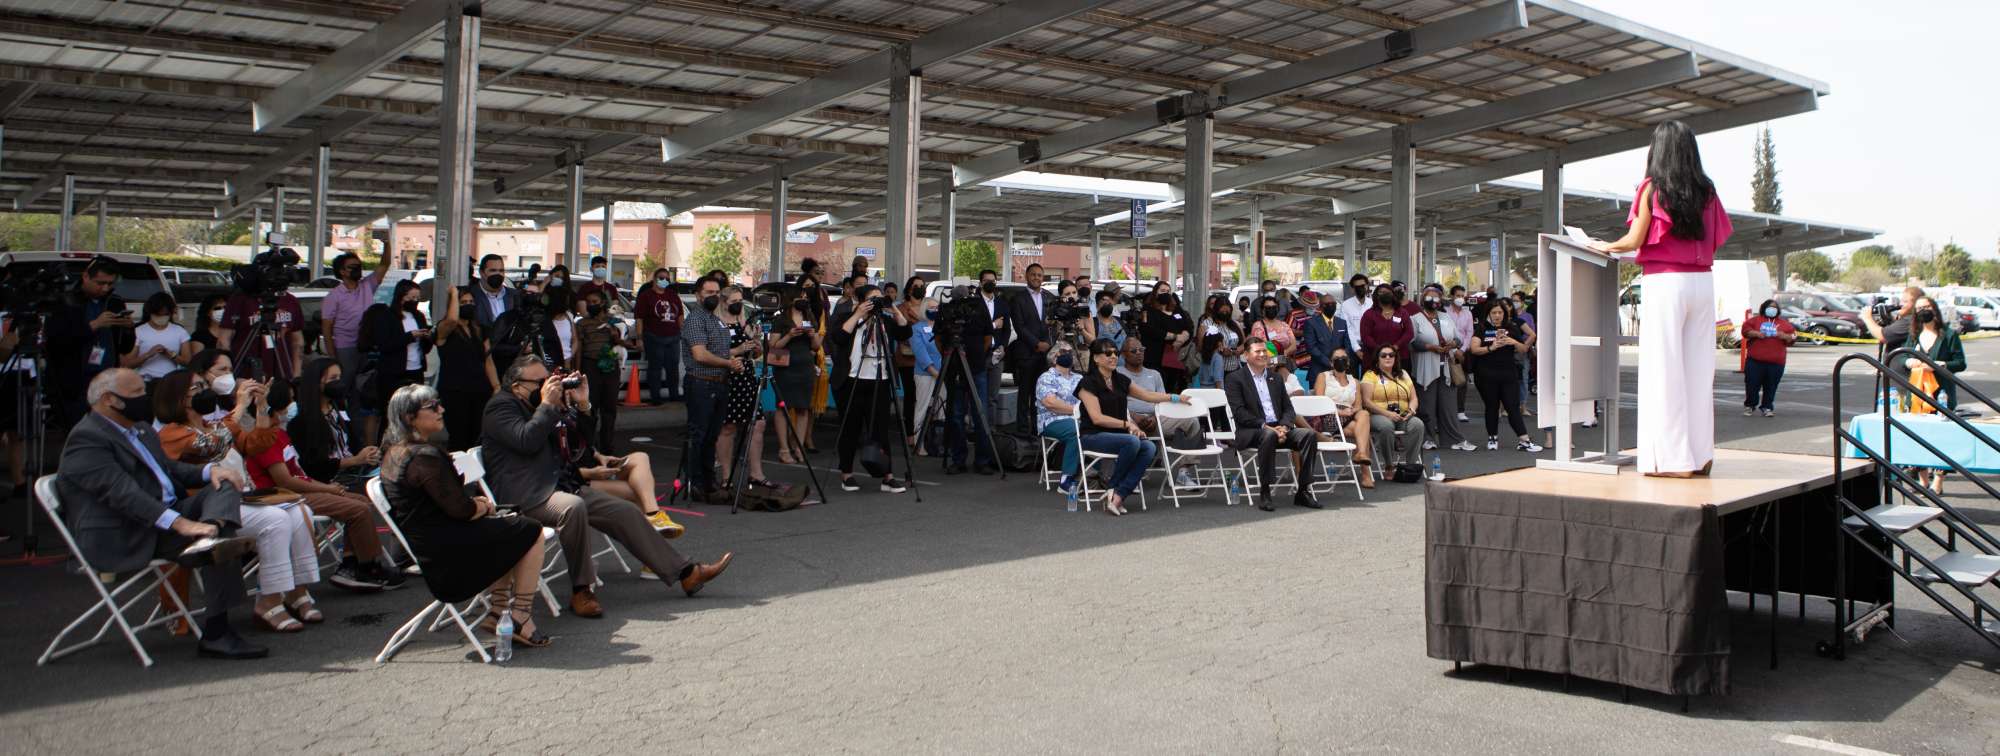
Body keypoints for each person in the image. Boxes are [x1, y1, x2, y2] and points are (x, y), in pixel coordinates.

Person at [483, 354, 731, 617]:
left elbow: (583, 445)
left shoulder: (543, 406)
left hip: (559, 486)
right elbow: (526, 441)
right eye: (541, 381)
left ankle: (686, 573)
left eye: (549, 380)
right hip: (526, 495)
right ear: (517, 385)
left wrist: (583, 405)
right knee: (573, 507)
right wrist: (546, 405)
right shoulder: (500, 407)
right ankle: (581, 590)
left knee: (625, 511)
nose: (549, 386)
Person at [57, 368, 264, 659]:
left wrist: (210, 470)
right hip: (129, 529)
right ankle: (217, 630)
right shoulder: (86, 439)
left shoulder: (139, 428)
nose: (146, 398)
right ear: (109, 400)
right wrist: (180, 524)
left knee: (225, 485)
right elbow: (122, 494)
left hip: (165, 514)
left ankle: (210, 535)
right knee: (224, 540)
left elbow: (168, 470)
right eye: (137, 394)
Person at [1591, 120, 1733, 478]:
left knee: (1663, 370)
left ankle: (1672, 460)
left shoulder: (1653, 188)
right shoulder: (1707, 189)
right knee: (1699, 372)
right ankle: (1701, 456)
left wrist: (1603, 245)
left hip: (1665, 282)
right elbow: (1718, 237)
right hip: (1702, 282)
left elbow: (1635, 238)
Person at [379, 384, 551, 648]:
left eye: (438, 403)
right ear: (408, 417)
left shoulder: (395, 451)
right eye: (432, 407)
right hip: (447, 558)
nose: (441, 410)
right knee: (530, 530)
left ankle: (499, 611)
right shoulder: (424, 457)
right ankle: (520, 615)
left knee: (508, 527)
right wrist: (482, 506)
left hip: (433, 544)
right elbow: (461, 510)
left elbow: (445, 504)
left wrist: (477, 506)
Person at [237, 380, 404, 591]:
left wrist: (326, 486)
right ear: (276, 406)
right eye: (290, 399)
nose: (294, 403)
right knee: (358, 509)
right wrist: (327, 489)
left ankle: (351, 563)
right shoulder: (264, 440)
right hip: (284, 497)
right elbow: (285, 481)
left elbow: (299, 474)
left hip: (299, 490)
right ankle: (368, 565)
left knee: (361, 502)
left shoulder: (279, 434)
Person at [1223, 337, 1322, 511]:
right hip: (1253, 430)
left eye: (1264, 351)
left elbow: (1289, 409)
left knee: (1308, 435)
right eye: (1257, 351)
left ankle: (1303, 490)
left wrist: (1284, 426)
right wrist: (1265, 426)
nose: (1262, 355)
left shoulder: (1275, 378)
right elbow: (1239, 412)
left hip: (1279, 428)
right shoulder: (1235, 378)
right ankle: (1265, 491)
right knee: (1268, 435)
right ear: (1246, 355)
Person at [1075, 339, 1169, 516]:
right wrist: (1128, 424)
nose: (1113, 356)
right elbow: (1097, 418)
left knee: (1148, 447)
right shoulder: (1087, 383)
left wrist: (1176, 398)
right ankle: (1113, 488)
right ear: (1096, 358)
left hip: (1118, 436)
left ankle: (1118, 495)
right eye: (1108, 353)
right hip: (1094, 436)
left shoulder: (1120, 380)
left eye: (1115, 353)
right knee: (1132, 442)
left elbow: (1147, 395)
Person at [836, 284, 912, 494]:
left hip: (880, 379)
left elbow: (906, 330)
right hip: (853, 379)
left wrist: (893, 309)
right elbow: (839, 337)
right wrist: (859, 314)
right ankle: (847, 473)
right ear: (861, 301)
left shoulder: (885, 321)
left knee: (880, 429)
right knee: (851, 429)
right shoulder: (848, 318)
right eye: (873, 299)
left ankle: (887, 476)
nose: (877, 302)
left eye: (880, 298)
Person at [46, 256, 135, 425]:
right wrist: (93, 326)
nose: (105, 288)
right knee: (78, 430)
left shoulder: (114, 302)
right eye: (100, 283)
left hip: (107, 378)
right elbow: (56, 342)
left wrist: (128, 329)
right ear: (86, 277)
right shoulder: (67, 301)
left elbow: (125, 348)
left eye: (110, 284)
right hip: (76, 381)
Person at [320, 251, 392, 441]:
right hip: (345, 349)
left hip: (367, 347)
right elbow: (327, 327)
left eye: (359, 266)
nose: (357, 270)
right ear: (342, 272)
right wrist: (332, 355)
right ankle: (346, 435)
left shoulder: (367, 286)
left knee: (366, 394)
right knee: (346, 393)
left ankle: (363, 438)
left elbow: (384, 264)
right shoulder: (334, 296)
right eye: (352, 267)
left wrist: (386, 243)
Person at [713, 286, 777, 490]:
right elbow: (710, 352)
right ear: (723, 302)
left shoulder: (744, 322)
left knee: (758, 424)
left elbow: (756, 352)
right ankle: (726, 475)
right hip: (726, 378)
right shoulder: (716, 323)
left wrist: (756, 346)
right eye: (734, 301)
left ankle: (756, 474)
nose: (738, 305)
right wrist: (737, 350)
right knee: (728, 427)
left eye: (740, 300)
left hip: (747, 378)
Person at [679, 276, 736, 495]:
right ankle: (695, 483)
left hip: (719, 383)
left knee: (712, 436)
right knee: (699, 435)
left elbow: (719, 351)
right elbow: (700, 354)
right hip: (701, 383)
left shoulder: (716, 319)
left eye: (716, 292)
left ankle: (707, 480)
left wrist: (739, 354)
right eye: (709, 292)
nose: (714, 296)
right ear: (698, 294)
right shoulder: (696, 319)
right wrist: (728, 363)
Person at [287, 357, 379, 492]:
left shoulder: (338, 409)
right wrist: (355, 460)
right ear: (317, 383)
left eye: (340, 377)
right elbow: (314, 466)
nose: (338, 382)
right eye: (333, 378)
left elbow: (353, 445)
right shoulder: (301, 422)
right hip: (332, 482)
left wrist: (368, 455)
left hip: (356, 473)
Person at [1466, 300, 1542, 453]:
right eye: (1494, 313)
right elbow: (1473, 349)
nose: (1497, 316)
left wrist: (1513, 341)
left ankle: (1524, 440)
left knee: (1512, 406)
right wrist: (1491, 347)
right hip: (1486, 374)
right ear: (1489, 314)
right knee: (1492, 406)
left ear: (1504, 314)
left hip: (1508, 373)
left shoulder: (1511, 327)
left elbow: (1523, 349)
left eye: (1500, 313)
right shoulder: (1482, 328)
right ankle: (1492, 438)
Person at [216, 263, 306, 384]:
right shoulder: (240, 300)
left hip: (283, 374)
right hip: (246, 373)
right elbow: (223, 341)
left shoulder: (291, 300)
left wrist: (296, 375)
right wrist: (229, 377)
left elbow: (297, 342)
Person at [434, 287, 500, 451]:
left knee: (477, 435)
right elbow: (451, 321)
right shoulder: (444, 329)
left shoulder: (479, 330)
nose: (468, 305)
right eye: (463, 303)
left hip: (479, 389)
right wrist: (454, 294)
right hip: (455, 391)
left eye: (471, 302)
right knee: (458, 436)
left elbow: (488, 360)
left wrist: (496, 386)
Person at [1411, 286, 1473, 452]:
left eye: (1437, 298)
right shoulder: (1415, 318)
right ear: (1423, 299)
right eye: (1430, 298)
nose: (1434, 301)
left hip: (1446, 367)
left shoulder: (1446, 317)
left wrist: (1454, 343)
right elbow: (1412, 342)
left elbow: (1458, 339)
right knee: (1427, 406)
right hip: (1426, 367)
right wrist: (1430, 346)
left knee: (1448, 407)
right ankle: (1427, 439)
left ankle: (1454, 439)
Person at [574, 287, 632, 454]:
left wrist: (616, 336)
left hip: (610, 367)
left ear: (603, 303)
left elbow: (624, 343)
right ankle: (588, 447)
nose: (591, 305)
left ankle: (607, 446)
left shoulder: (614, 322)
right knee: (590, 408)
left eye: (595, 302)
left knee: (609, 408)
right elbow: (580, 347)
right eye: (589, 303)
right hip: (590, 366)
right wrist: (578, 371)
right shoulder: (582, 323)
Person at [365, 280, 432, 416]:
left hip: (416, 369)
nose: (415, 301)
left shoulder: (418, 316)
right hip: (393, 372)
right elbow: (385, 345)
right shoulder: (387, 316)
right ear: (401, 297)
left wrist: (428, 338)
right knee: (392, 413)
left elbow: (425, 348)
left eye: (417, 298)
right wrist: (409, 336)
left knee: (414, 411)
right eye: (412, 298)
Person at [770, 294, 822, 465]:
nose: (804, 299)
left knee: (803, 408)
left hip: (805, 366)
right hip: (785, 367)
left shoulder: (809, 315)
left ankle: (799, 447)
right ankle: (784, 449)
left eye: (807, 296)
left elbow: (815, 346)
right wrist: (790, 335)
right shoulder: (781, 319)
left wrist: (812, 335)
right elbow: (773, 346)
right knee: (783, 407)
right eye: (800, 295)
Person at [1311, 347, 1373, 488]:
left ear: (1349, 362)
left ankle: (1361, 454)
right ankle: (1365, 473)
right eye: (1337, 359)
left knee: (1363, 414)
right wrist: (1339, 412)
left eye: (1344, 359)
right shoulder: (1323, 376)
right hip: (1328, 415)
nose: (1341, 361)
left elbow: (1358, 405)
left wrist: (1350, 411)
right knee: (1364, 433)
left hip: (1348, 416)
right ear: (1331, 363)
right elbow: (1319, 401)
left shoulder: (1354, 381)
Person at [1360, 345, 1429, 471]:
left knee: (1418, 424)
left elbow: (1414, 398)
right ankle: (1389, 465)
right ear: (1377, 359)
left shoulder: (1403, 374)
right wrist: (1387, 413)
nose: (1388, 357)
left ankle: (1410, 465)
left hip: (1402, 415)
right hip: (1378, 415)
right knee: (1387, 426)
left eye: (1391, 355)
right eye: (1384, 355)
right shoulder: (1370, 375)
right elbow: (1366, 402)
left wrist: (1411, 410)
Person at [1034, 342, 1087, 495]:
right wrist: (1078, 411)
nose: (1068, 355)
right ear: (1054, 357)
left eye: (1070, 352)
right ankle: (1066, 480)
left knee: (1097, 429)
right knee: (1076, 430)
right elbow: (1050, 403)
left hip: (1079, 419)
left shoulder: (1078, 377)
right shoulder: (1046, 377)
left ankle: (1099, 473)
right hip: (1052, 420)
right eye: (1063, 352)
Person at [1007, 264, 1053, 434]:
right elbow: (1019, 326)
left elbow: (1054, 324)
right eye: (1033, 274)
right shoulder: (1018, 298)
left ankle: (1037, 429)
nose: (1036, 278)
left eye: (1040, 275)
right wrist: (1036, 343)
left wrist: (1048, 342)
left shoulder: (1049, 297)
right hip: (1026, 352)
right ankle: (1022, 431)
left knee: (1040, 394)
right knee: (1024, 394)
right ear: (1026, 276)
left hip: (1045, 354)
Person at [1904, 295, 1966, 411]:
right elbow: (1903, 356)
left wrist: (1941, 365)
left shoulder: (1949, 335)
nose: (1923, 311)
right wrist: (1908, 361)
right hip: (1917, 395)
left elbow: (1961, 363)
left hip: (1942, 397)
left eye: (1927, 307)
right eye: (1919, 308)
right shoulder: (1913, 335)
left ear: (1934, 309)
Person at [1739, 298, 1796, 418]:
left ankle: (1767, 407)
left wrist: (1784, 336)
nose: (1772, 310)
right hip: (1755, 361)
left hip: (1776, 362)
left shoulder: (1785, 324)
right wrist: (1756, 333)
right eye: (1770, 307)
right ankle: (1750, 405)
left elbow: (1793, 337)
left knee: (1771, 386)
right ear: (1764, 308)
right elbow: (1745, 331)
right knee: (1752, 384)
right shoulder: (1754, 321)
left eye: (1775, 308)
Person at [636, 266, 685, 404]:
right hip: (653, 337)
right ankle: (655, 397)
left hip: (674, 337)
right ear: (654, 279)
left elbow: (680, 316)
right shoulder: (646, 296)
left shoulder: (673, 296)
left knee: (673, 368)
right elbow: (639, 319)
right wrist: (639, 338)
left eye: (667, 279)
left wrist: (684, 332)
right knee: (655, 368)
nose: (664, 281)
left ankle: (674, 395)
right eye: (661, 278)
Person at [123, 292, 192, 382]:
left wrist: (171, 354)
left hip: (170, 380)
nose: (161, 317)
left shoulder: (180, 331)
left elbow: (188, 361)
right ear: (150, 312)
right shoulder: (138, 331)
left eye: (165, 314)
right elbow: (128, 364)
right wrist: (148, 354)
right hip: (145, 379)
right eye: (158, 315)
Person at [1139, 291, 1193, 393]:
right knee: (1158, 385)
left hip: (1175, 356)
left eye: (1167, 290)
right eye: (1161, 290)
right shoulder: (1149, 311)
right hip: (1155, 357)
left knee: (1172, 385)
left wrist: (1181, 339)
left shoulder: (1178, 311)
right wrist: (1174, 336)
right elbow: (1150, 330)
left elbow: (1188, 327)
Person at [909, 299, 943, 456]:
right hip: (925, 374)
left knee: (942, 409)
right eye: (932, 308)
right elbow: (920, 352)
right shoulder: (917, 329)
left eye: (937, 307)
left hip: (944, 373)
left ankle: (938, 443)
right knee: (922, 408)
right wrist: (933, 370)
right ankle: (919, 443)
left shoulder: (942, 327)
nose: (935, 310)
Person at [1359, 282, 1414, 370]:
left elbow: (1409, 333)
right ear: (1376, 295)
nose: (1385, 294)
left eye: (1388, 292)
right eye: (1381, 292)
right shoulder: (1369, 314)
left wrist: (1396, 346)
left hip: (1400, 358)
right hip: (1375, 359)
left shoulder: (1402, 312)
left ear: (1393, 295)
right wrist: (1380, 350)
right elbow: (1365, 337)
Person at [1298, 290, 1347, 389]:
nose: (1331, 306)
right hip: (1318, 370)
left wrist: (1341, 361)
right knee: (1318, 401)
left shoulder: (1342, 322)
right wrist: (1330, 362)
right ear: (1320, 306)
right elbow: (1311, 347)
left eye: (1333, 304)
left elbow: (1347, 344)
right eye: (1327, 304)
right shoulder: (1311, 323)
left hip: (1340, 370)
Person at [1248, 295, 1303, 379]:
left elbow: (1294, 345)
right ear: (1263, 310)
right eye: (1268, 307)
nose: (1271, 309)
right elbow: (1261, 347)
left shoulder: (1284, 325)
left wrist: (1283, 354)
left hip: (1285, 363)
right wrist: (1280, 358)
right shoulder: (1258, 326)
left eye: (1274, 307)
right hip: (1268, 366)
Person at [1197, 294, 1244, 388]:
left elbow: (1244, 343)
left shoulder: (1235, 324)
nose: (1225, 313)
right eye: (1222, 311)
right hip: (1214, 370)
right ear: (1216, 310)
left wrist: (1238, 350)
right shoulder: (1206, 324)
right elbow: (1200, 347)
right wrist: (1218, 350)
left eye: (1227, 311)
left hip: (1234, 368)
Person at [1444, 286, 1475, 422]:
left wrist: (1462, 350)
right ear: (1451, 296)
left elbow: (1469, 333)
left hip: (1463, 352)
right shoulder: (1444, 312)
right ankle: (1448, 411)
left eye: (1462, 296)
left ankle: (1460, 410)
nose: (1460, 298)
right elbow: (1444, 332)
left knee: (1462, 381)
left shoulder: (1467, 314)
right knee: (1448, 381)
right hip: (1447, 351)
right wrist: (1453, 350)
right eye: (1457, 295)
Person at [470, 254, 520, 329]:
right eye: (493, 270)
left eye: (501, 271)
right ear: (482, 272)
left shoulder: (515, 295)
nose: (498, 274)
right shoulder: (471, 295)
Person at [1337, 274, 1371, 371]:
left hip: (1369, 347)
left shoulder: (1373, 304)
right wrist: (1356, 349)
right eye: (1357, 287)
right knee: (1352, 380)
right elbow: (1347, 328)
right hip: (1351, 348)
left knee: (1369, 379)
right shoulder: (1346, 305)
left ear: (1367, 286)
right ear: (1352, 289)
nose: (1361, 288)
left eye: (1363, 286)